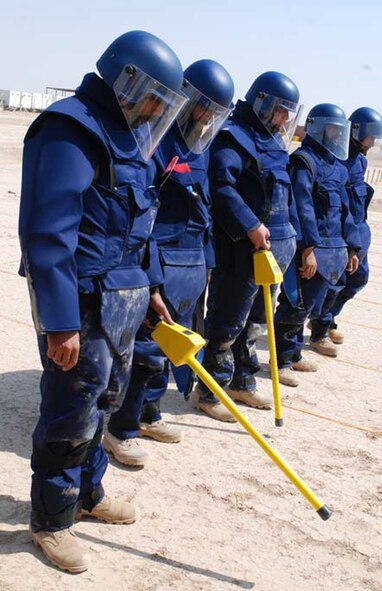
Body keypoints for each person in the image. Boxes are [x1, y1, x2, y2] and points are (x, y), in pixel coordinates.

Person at [18, 30, 187, 573]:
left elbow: (142, 228)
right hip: (83, 305)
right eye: (155, 95)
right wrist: (60, 323)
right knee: (70, 414)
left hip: (125, 300)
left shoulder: (132, 136)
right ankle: (51, 521)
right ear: (127, 80)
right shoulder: (70, 129)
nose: (159, 109)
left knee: (105, 404)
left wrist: (154, 288)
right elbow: (48, 235)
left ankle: (88, 495)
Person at [103, 59, 235, 461]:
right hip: (158, 256)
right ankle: (119, 427)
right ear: (188, 98)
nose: (207, 116)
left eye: (215, 110)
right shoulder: (154, 140)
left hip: (191, 261)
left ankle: (149, 411)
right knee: (145, 349)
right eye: (203, 106)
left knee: (170, 348)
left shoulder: (204, 146)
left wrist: (207, 264)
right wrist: (151, 274)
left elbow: (206, 206)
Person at [191, 71, 303, 421]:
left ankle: (242, 381)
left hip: (273, 253)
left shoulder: (275, 142)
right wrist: (250, 225)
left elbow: (286, 198)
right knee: (228, 321)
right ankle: (209, 391)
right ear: (262, 103)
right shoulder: (233, 138)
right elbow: (222, 187)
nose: (284, 119)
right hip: (240, 251)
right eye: (280, 110)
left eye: (289, 112)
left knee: (256, 321)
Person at [273, 103, 362, 387]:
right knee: (295, 304)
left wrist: (352, 247)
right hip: (310, 249)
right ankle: (283, 360)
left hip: (333, 249)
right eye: (333, 129)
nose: (337, 134)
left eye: (340, 130)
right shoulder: (304, 161)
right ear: (319, 128)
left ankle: (295, 352)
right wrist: (307, 248)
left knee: (311, 304)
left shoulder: (337, 166)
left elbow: (345, 209)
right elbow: (301, 206)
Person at [309, 107, 382, 346]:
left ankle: (328, 316)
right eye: (369, 136)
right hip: (341, 231)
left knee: (358, 279)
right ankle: (320, 330)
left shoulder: (360, 161)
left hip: (359, 229)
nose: (371, 143)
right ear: (356, 132)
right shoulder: (338, 159)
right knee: (334, 283)